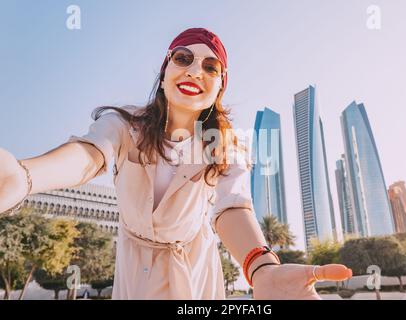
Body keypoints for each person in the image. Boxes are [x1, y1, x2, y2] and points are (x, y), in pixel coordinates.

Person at [0, 28, 352, 299]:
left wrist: (261, 269)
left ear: (219, 88)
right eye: (183, 58)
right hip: (133, 267)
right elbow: (91, 155)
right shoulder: (125, 125)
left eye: (210, 67)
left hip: (195, 271)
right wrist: (26, 177)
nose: (195, 70)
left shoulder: (226, 147)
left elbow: (232, 208)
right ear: (166, 69)